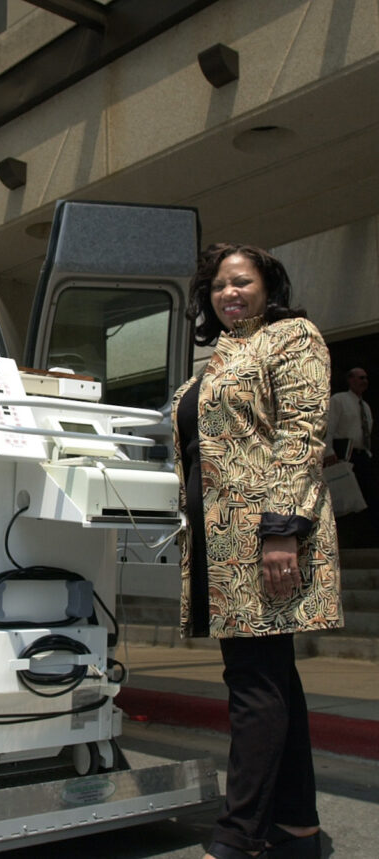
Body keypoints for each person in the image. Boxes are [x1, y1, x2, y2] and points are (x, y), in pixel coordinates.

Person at [172, 243, 343, 859]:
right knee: (270, 681)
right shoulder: (215, 362)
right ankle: (297, 828)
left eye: (242, 282)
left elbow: (302, 434)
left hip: (264, 541)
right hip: (220, 548)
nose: (230, 294)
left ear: (268, 287)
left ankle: (239, 836)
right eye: (218, 286)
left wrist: (279, 530)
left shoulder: (292, 338)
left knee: (254, 686)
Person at [324, 367, 379, 530]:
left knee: (367, 494)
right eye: (360, 377)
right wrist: (329, 451)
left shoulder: (366, 407)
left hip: (363, 454)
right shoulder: (339, 400)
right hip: (345, 455)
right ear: (350, 380)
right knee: (347, 495)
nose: (364, 381)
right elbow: (329, 426)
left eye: (366, 378)